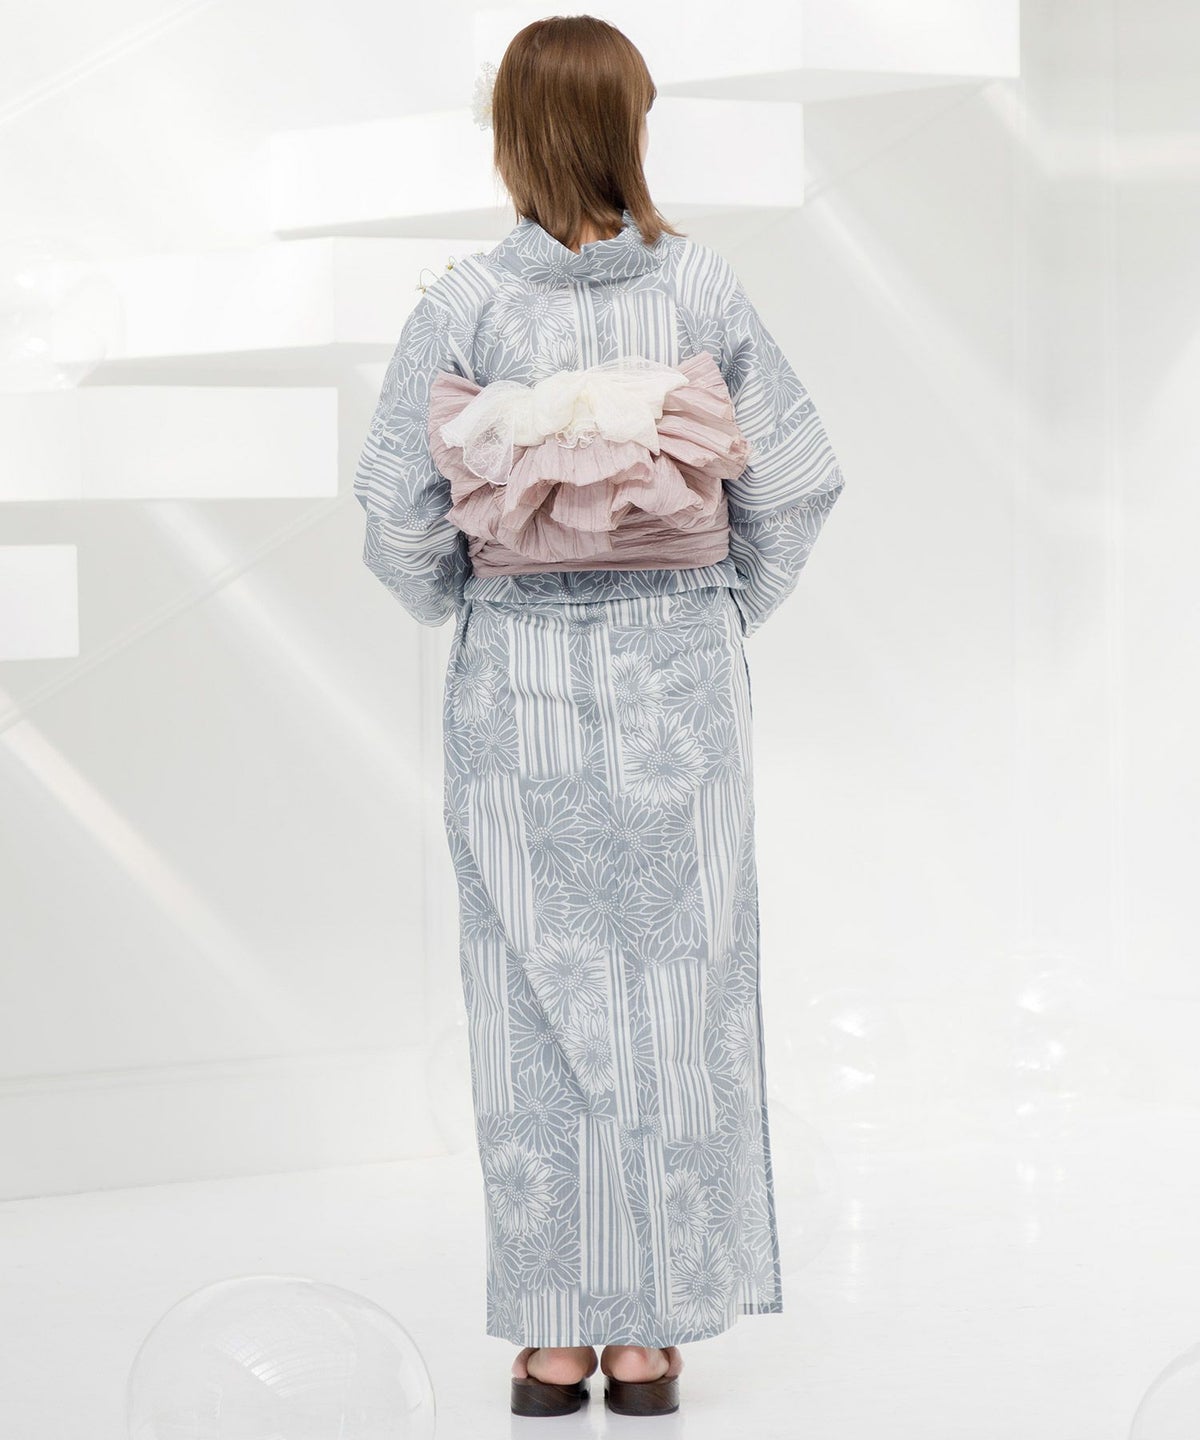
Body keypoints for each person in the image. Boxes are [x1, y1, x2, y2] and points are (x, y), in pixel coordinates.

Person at [353, 14, 845, 1419]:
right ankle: (649, 1337)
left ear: (507, 133)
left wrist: (473, 590)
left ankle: (555, 1338)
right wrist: (715, 605)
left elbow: (397, 514)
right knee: (680, 984)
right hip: (676, 673)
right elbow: (796, 479)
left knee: (531, 989)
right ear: (634, 122)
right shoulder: (699, 285)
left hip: (517, 679)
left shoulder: (464, 303)